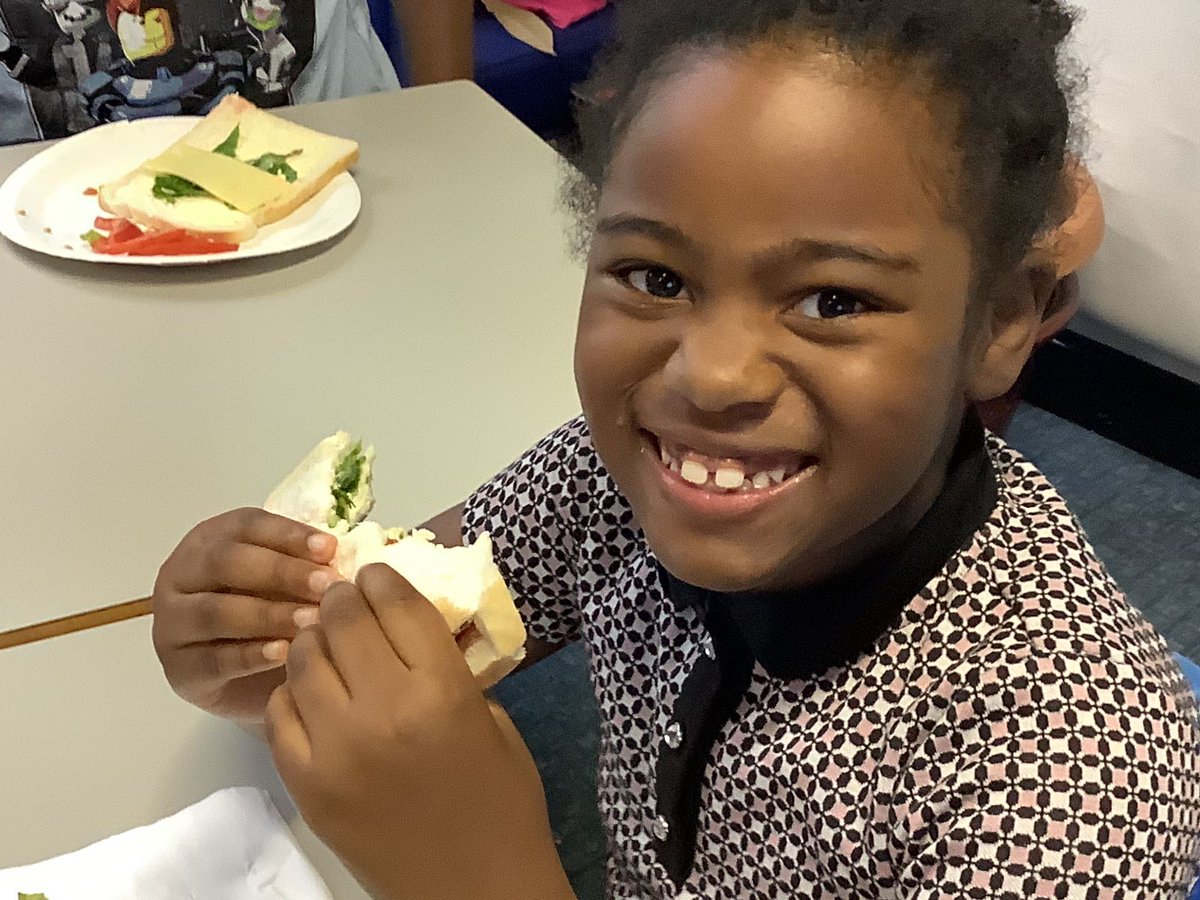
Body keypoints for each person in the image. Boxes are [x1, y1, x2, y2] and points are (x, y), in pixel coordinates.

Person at [149, 0, 1200, 897]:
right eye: (657, 277)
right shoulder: (616, 483)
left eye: (833, 300)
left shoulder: (1074, 793)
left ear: (1002, 325)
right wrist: (269, 645)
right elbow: (401, 632)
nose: (708, 376)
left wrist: (482, 875)